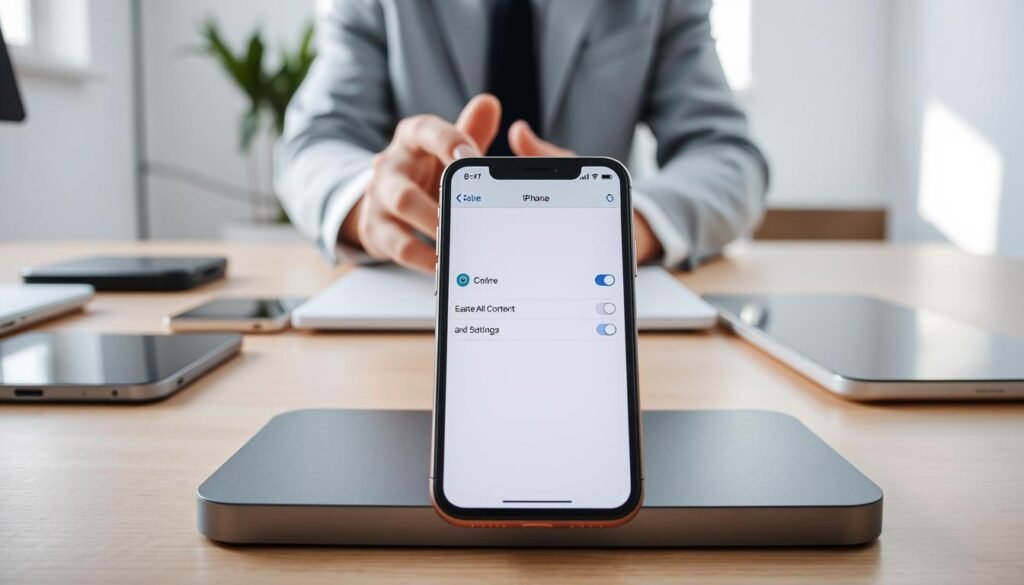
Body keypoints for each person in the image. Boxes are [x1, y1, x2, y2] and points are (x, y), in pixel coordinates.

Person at [276, 0, 768, 273]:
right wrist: (373, 204)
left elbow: (727, 154)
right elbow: (312, 142)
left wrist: (628, 224)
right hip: (426, 278)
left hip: (592, 279)